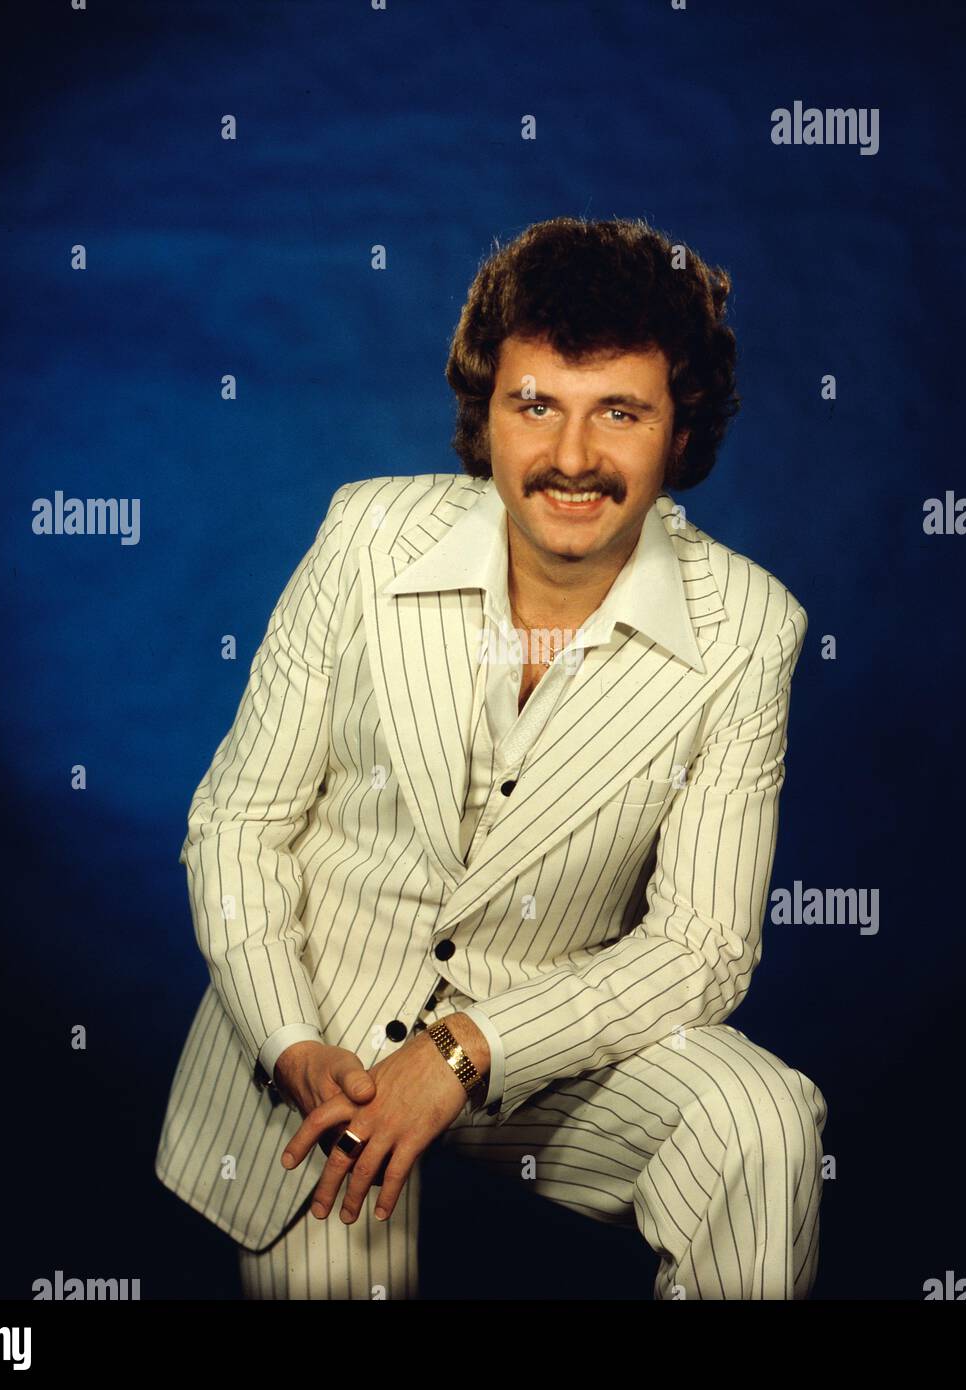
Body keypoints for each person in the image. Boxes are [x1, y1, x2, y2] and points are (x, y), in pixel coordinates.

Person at [154, 215, 827, 1299]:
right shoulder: (367, 538)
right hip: (322, 1035)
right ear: (489, 412)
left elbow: (702, 944)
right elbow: (239, 822)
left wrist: (470, 1047)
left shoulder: (751, 626)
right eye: (536, 407)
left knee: (763, 1119)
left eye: (618, 411)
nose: (571, 458)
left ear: (678, 428)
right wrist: (286, 1035)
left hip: (545, 1047)